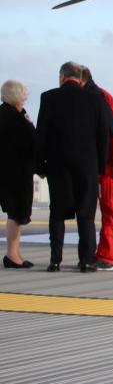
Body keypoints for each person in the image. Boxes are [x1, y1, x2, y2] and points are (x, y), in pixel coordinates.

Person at [35, 62, 110, 273]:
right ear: (80, 78)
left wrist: (40, 165)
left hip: (58, 166)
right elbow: (103, 134)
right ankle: (86, 260)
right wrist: (100, 167)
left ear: (61, 77)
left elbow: (42, 135)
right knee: (86, 214)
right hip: (87, 166)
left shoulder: (48, 98)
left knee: (58, 213)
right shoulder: (95, 98)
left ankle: (55, 260)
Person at [80, 68, 113, 269]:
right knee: (107, 206)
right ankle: (104, 251)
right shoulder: (99, 96)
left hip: (111, 162)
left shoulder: (100, 98)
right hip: (107, 159)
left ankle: (108, 254)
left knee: (109, 206)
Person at [1, 79, 36, 269]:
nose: (25, 98)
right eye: (23, 94)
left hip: (16, 172)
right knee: (16, 213)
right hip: (14, 174)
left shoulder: (16, 114)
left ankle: (14, 255)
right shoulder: (10, 117)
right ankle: (12, 256)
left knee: (16, 214)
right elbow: (25, 143)